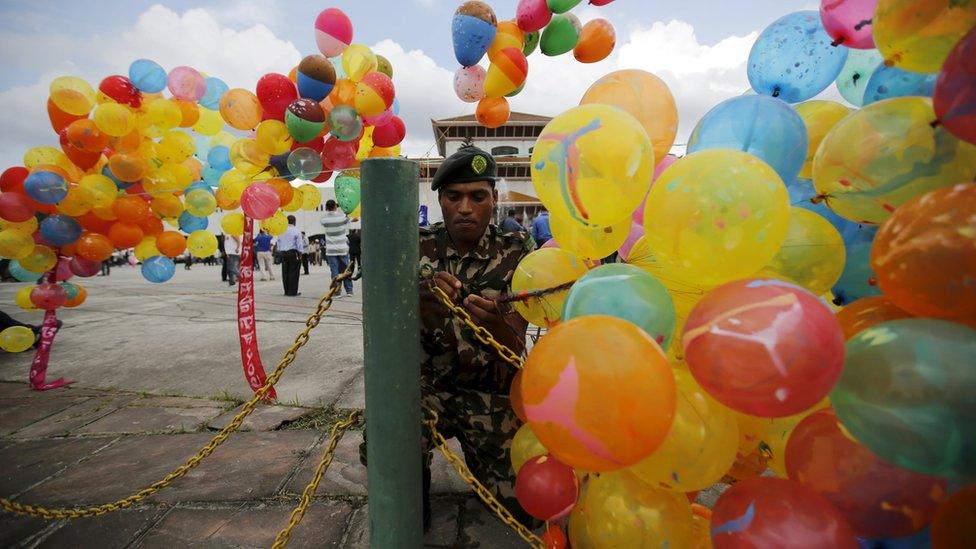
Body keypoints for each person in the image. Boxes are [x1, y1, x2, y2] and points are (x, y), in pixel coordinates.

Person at [359, 146, 535, 531]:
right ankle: (413, 485)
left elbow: (519, 341)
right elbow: (379, 324)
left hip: (492, 395)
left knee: (525, 511)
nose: (465, 208)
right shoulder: (412, 248)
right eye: (454, 197)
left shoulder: (517, 252)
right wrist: (413, 305)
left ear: (494, 198)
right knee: (391, 470)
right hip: (426, 389)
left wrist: (499, 327)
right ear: (439, 199)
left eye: (478, 196)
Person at [320, 199, 354, 297]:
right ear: (335, 206)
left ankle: (336, 291)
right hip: (342, 248)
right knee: (346, 270)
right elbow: (350, 219)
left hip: (330, 249)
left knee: (334, 271)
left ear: (326, 207)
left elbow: (323, 221)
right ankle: (349, 291)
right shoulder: (342, 217)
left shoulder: (323, 219)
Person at [278, 215, 305, 296]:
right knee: (294, 272)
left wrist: (280, 251)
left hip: (283, 253)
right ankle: (292, 292)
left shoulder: (281, 230)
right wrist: (300, 254)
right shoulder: (296, 231)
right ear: (294, 221)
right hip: (293, 253)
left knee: (285, 272)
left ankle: (286, 291)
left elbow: (278, 242)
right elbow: (299, 244)